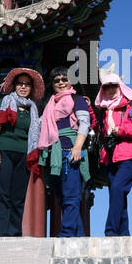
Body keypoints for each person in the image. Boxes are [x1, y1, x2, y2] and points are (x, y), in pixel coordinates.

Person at [29, 66, 91, 237]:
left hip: (70, 151)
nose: (61, 83)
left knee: (71, 195)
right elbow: (40, 125)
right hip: (54, 154)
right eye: (57, 80)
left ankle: (67, 233)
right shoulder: (51, 104)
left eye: (65, 79)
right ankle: (79, 235)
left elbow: (85, 123)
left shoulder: (77, 100)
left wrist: (77, 147)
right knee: (63, 196)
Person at [0, 67, 43, 237]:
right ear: (14, 86)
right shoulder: (4, 102)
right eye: (20, 83)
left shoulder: (33, 108)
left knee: (18, 196)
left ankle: (14, 232)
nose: (23, 87)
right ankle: (3, 232)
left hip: (24, 155)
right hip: (3, 152)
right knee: (3, 194)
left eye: (27, 84)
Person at [93, 70, 132, 236]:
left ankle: (110, 230)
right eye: (107, 86)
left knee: (117, 188)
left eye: (113, 86)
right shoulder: (103, 111)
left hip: (130, 155)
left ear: (120, 87)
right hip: (111, 157)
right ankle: (124, 234)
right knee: (117, 194)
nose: (110, 89)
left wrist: (120, 130)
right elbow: (97, 129)